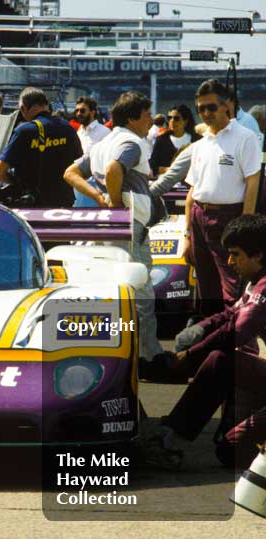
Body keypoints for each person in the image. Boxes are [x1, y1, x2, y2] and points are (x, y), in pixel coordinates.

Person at [142, 214, 266, 469]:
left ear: (258, 255)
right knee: (221, 360)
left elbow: (236, 331)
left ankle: (168, 438)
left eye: (236, 254)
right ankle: (170, 436)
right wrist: (199, 329)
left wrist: (187, 358)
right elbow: (232, 314)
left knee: (231, 453)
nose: (229, 261)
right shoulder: (256, 280)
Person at [62, 91, 163, 371]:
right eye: (146, 115)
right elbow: (114, 169)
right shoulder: (131, 142)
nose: (150, 120)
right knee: (140, 290)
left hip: (103, 223)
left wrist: (98, 197)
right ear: (132, 118)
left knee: (108, 290)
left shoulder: (103, 142)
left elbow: (70, 173)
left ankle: (111, 351)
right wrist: (116, 202)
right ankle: (149, 356)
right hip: (128, 225)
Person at [184, 79, 261, 316]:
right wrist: (187, 234)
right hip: (199, 216)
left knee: (232, 288)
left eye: (211, 107)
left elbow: (253, 182)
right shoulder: (200, 143)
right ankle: (211, 339)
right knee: (206, 287)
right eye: (201, 109)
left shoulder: (245, 137)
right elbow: (192, 190)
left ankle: (236, 342)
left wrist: (244, 228)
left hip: (229, 218)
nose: (206, 113)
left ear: (226, 106)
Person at [0, 87, 82, 207]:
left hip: (33, 205)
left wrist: (19, 184)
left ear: (23, 108)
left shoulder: (24, 131)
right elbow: (79, 165)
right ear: (46, 105)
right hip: (63, 204)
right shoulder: (67, 127)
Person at [72, 96, 111, 208]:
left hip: (97, 186)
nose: (79, 113)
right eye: (77, 110)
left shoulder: (104, 132)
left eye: (82, 110)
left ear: (93, 112)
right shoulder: (79, 131)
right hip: (80, 184)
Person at [149, 104, 201, 175]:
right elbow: (153, 166)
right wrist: (169, 170)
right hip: (168, 183)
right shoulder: (161, 140)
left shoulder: (198, 140)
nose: (172, 121)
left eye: (176, 118)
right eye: (169, 118)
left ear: (185, 121)